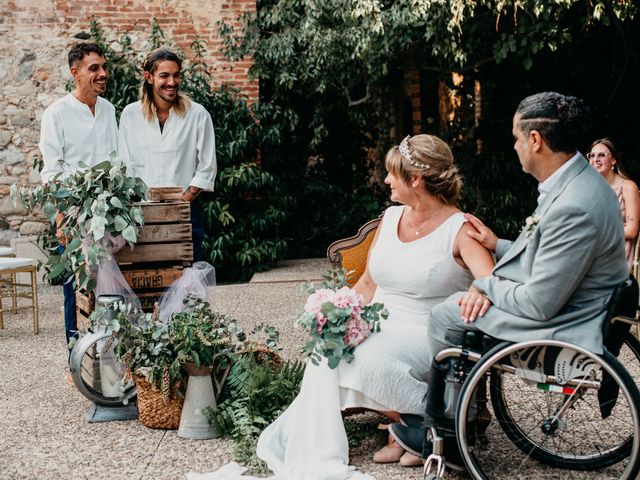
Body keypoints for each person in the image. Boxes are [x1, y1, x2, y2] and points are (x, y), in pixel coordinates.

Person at [388, 92, 629, 460]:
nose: (514, 146)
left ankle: (450, 432)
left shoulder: (575, 203)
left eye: (517, 137)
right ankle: (460, 415)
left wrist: (485, 285)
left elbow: (538, 302)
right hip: (575, 301)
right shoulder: (577, 181)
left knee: (447, 316)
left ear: (536, 140)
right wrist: (497, 244)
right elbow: (551, 254)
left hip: (566, 322)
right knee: (461, 309)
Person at [242, 134, 493, 479]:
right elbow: (368, 284)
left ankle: (416, 428)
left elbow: (491, 281)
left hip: (427, 330)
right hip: (382, 322)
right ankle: (411, 427)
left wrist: (481, 288)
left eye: (393, 173)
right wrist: (337, 313)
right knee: (329, 347)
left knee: (357, 359)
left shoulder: (460, 229)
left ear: (416, 180)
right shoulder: (390, 220)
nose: (387, 180)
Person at [38, 42, 118, 380]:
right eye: (94, 68)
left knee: (110, 288)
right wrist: (61, 221)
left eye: (103, 67)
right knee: (76, 289)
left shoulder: (109, 110)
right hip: (73, 216)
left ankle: (111, 356)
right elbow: (52, 172)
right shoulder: (57, 113)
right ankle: (75, 360)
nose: (102, 74)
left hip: (111, 217)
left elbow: (116, 161)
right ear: (76, 72)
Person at [118, 48, 217, 262]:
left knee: (188, 277)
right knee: (149, 277)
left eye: (176, 75)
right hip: (142, 214)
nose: (172, 82)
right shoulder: (130, 115)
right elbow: (125, 164)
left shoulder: (197, 114)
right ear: (149, 77)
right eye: (164, 75)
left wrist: (184, 201)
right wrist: (141, 204)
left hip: (186, 210)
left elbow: (207, 167)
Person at [587, 138, 640, 271]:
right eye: (592, 156)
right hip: (590, 246)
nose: (595, 159)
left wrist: (597, 233)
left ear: (614, 160)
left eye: (601, 155)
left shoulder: (628, 187)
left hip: (617, 250)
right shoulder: (589, 188)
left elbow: (632, 230)